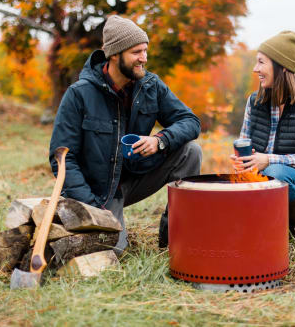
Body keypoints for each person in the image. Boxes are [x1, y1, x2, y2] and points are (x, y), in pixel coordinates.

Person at [49, 15, 202, 253]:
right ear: (114, 54)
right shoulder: (79, 94)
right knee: (113, 251)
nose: (144, 58)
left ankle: (176, 236)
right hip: (98, 192)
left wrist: (160, 140)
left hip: (135, 176)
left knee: (190, 151)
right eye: (136, 52)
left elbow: (191, 122)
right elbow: (61, 158)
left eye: (145, 50)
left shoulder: (151, 85)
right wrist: (92, 207)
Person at [231, 31, 295, 235]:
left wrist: (268, 160)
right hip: (260, 183)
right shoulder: (254, 101)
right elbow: (246, 145)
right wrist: (243, 160)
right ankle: (265, 225)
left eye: (261, 62)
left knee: (275, 173)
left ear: (281, 67)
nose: (255, 69)